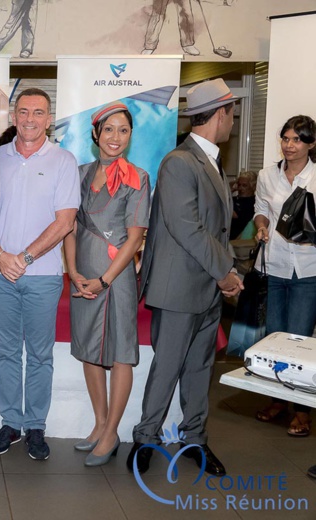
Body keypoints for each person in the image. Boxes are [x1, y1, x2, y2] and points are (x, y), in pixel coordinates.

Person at [129, 78, 243, 477]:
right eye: (232, 113)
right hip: (179, 287)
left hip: (206, 286)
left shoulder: (209, 159)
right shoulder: (180, 162)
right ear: (221, 114)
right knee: (169, 366)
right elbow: (187, 228)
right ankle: (144, 440)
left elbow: (217, 230)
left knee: (198, 369)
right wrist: (226, 272)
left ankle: (195, 439)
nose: (233, 122)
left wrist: (223, 273)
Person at [0, 88, 79, 461]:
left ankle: (36, 425)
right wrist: (1, 256)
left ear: (49, 118)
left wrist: (22, 257)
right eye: (23, 111)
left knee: (39, 355)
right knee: (6, 353)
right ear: (12, 115)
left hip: (43, 274)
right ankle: (11, 423)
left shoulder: (63, 161)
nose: (30, 119)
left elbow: (65, 221)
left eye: (38, 112)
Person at [64, 102, 150, 467]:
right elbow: (69, 226)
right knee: (88, 349)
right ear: (96, 134)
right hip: (83, 276)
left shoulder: (138, 178)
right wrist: (73, 272)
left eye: (124, 130)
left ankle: (113, 430)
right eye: (109, 129)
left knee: (119, 354)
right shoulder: (79, 173)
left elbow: (134, 239)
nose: (116, 137)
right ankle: (99, 424)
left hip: (114, 279)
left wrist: (104, 279)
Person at [253, 115, 316, 438]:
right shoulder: (268, 175)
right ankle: (278, 400)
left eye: (297, 140)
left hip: (308, 268)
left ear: (311, 144)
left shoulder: (315, 176)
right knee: (275, 336)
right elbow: (261, 207)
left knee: (300, 339)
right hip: (275, 264)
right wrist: (262, 225)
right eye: (286, 139)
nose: (290, 146)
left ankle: (302, 410)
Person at [230, 170, 257, 239]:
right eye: (239, 185)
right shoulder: (233, 199)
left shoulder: (253, 202)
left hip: (238, 239)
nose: (240, 188)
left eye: (244, 185)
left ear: (253, 187)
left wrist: (229, 191)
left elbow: (233, 214)